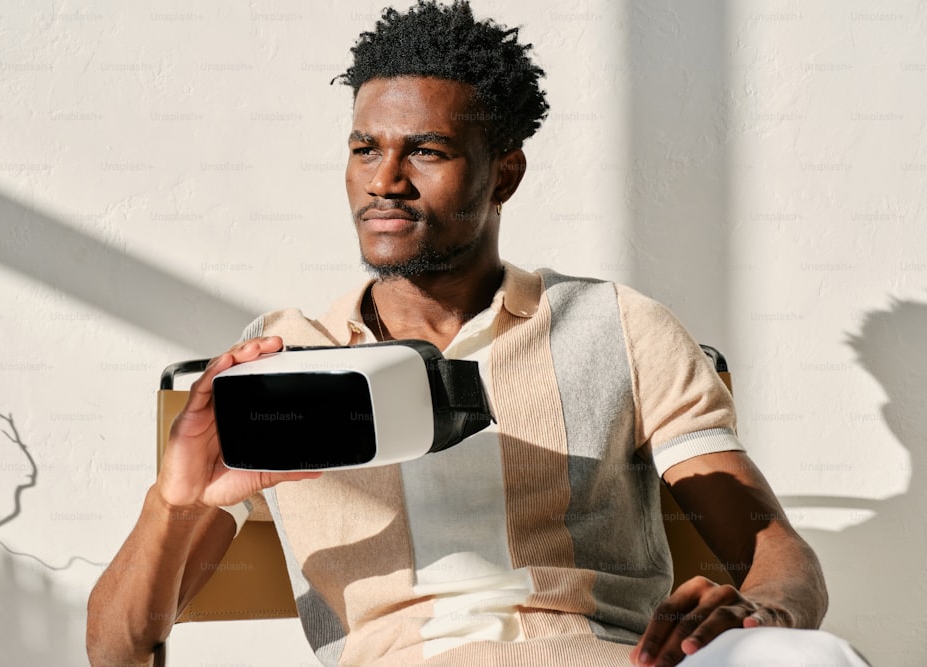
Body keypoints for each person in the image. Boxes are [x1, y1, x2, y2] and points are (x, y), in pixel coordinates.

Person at [87, 2, 868, 666]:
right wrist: (174, 499)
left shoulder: (619, 325)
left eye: (425, 150)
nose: (384, 179)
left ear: (505, 173)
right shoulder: (280, 355)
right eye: (365, 148)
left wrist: (762, 613)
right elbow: (117, 648)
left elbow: (778, 553)